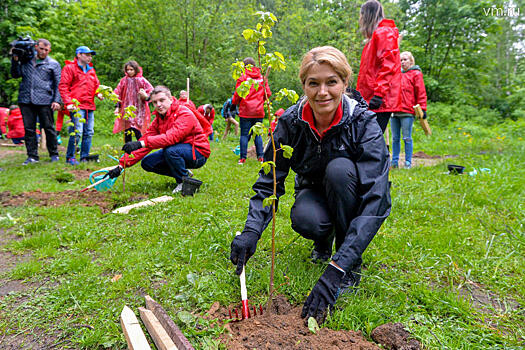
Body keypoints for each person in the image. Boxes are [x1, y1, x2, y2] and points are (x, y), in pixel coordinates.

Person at [229, 46, 391, 325]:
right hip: (311, 190)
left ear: (344, 83)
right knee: (306, 219)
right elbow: (270, 181)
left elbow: (376, 201)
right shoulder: (291, 123)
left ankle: (344, 257)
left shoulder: (363, 123)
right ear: (303, 85)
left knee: (339, 170)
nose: (322, 92)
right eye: (313, 83)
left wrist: (339, 269)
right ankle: (322, 242)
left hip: (347, 188)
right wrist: (252, 231)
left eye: (331, 82)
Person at [104, 86, 211, 193]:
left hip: (197, 153)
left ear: (170, 99)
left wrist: (141, 143)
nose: (158, 105)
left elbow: (171, 138)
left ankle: (183, 182)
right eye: (155, 102)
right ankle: (184, 173)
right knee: (148, 162)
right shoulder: (159, 119)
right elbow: (147, 138)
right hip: (178, 150)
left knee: (170, 151)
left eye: (162, 100)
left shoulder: (184, 113)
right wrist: (121, 165)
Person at [10, 38, 61, 164]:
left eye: (46, 50)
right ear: (36, 47)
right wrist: (15, 61)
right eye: (41, 48)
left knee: (49, 128)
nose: (43, 52)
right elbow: (15, 75)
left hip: (45, 100)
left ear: (49, 50)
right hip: (26, 99)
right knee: (29, 129)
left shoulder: (53, 64)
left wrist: (57, 101)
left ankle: (54, 154)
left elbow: (58, 84)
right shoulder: (26, 61)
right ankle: (32, 156)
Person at [356, 0, 401, 133]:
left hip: (379, 99)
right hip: (370, 97)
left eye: (362, 15)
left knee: (371, 139)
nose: (361, 19)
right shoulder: (375, 37)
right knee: (370, 138)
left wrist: (379, 94)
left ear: (367, 15)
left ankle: (383, 154)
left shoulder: (384, 33)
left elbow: (388, 66)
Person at [59, 46, 103, 165]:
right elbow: (63, 86)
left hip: (89, 105)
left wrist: (98, 93)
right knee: (77, 131)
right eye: (87, 54)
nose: (89, 57)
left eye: (90, 55)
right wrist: (68, 103)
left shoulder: (91, 70)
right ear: (79, 55)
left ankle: (84, 157)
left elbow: (96, 85)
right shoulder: (69, 68)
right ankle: (70, 157)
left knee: (89, 132)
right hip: (76, 106)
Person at [391, 51, 427, 169]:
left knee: (407, 137)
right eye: (401, 60)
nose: (402, 62)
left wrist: (423, 108)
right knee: (395, 138)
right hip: (394, 111)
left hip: (407, 111)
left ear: (411, 61)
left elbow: (420, 92)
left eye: (405, 59)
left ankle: (407, 162)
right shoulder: (397, 74)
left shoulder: (416, 74)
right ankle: (394, 162)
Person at [232, 57, 271, 164]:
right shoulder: (262, 78)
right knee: (257, 134)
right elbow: (268, 94)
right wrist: (260, 100)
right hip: (258, 111)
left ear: (245, 66)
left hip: (245, 111)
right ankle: (261, 157)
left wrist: (234, 103)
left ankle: (243, 158)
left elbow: (237, 95)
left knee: (244, 134)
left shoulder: (243, 78)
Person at [113, 60, 154, 142]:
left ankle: (141, 148)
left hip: (139, 109)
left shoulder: (141, 80)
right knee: (127, 130)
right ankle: (128, 151)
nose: (129, 71)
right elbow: (118, 93)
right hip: (126, 109)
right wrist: (117, 107)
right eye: (127, 70)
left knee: (137, 129)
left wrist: (146, 96)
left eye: (131, 69)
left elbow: (151, 91)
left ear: (135, 69)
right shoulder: (124, 80)